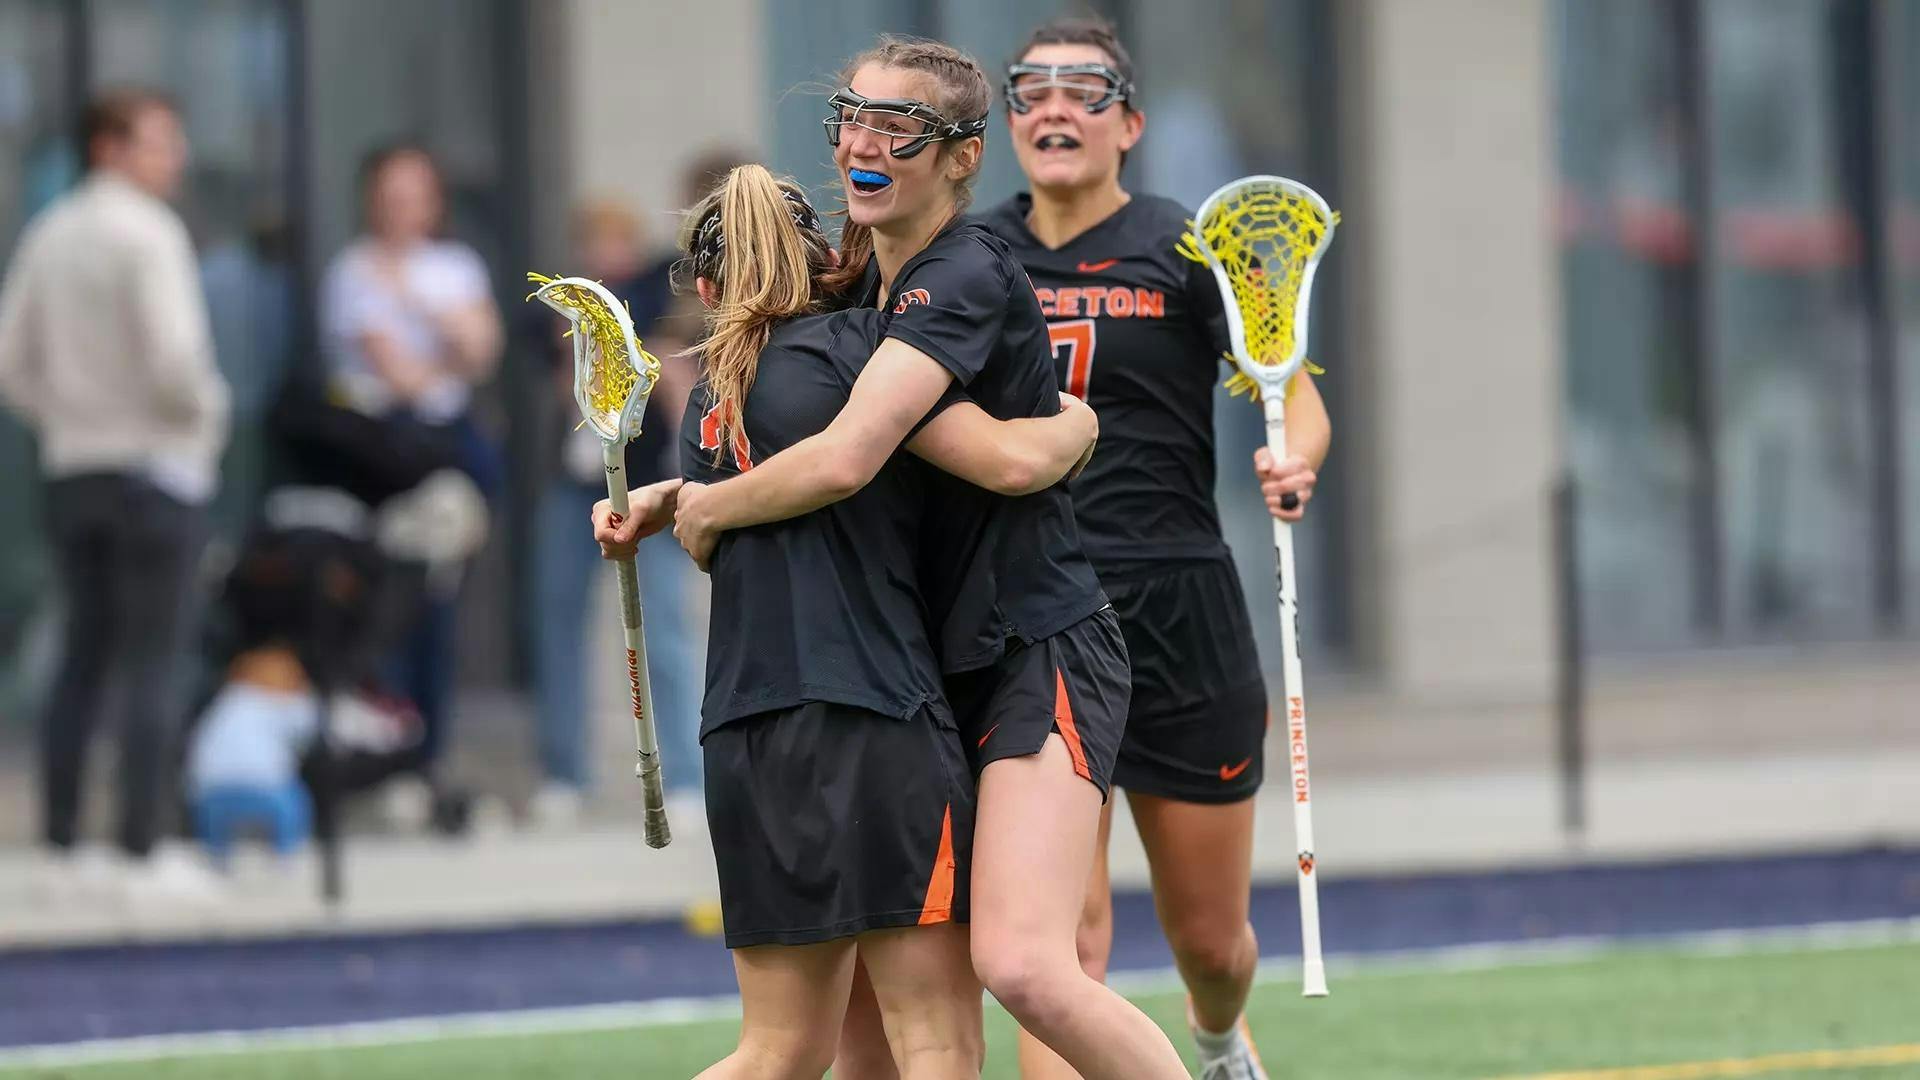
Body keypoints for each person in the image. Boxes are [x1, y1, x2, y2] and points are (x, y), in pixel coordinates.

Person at [656, 39, 1190, 1080]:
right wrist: (669, 500)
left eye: (897, 126)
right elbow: (823, 450)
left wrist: (706, 503)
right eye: (851, 118)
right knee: (866, 1042)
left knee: (1025, 966)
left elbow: (872, 456)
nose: (862, 140)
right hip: (925, 671)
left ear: (961, 156)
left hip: (1035, 646)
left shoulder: (966, 267)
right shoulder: (858, 304)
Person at [600, 163, 1099, 1079]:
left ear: (707, 290)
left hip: (746, 742)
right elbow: (1004, 463)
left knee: (777, 1050)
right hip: (879, 723)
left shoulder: (707, 405)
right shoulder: (869, 355)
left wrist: (673, 498)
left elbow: (714, 531)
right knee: (938, 1041)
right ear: (832, 259)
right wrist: (1079, 422)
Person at [979, 18, 1332, 1078]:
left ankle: (1218, 1036)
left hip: (1182, 611)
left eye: (1083, 90)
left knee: (1213, 945)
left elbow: (1296, 402)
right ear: (1008, 123)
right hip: (1035, 614)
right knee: (1061, 947)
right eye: (1031, 90)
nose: (1054, 108)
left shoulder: (1191, 248)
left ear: (1129, 123)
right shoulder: (975, 259)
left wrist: (1293, 464)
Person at [0, 88, 231, 902]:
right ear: (109, 147)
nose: (174, 158)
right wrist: (204, 417)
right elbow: (175, 362)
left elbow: (10, 362)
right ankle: (144, 848)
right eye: (158, 142)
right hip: (154, 470)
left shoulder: (49, 233)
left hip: (74, 470)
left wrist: (65, 418)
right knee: (154, 660)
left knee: (84, 659)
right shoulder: (148, 232)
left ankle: (64, 845)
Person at [318, 143, 503, 805]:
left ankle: (428, 756)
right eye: (390, 193)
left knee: (435, 610)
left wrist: (416, 302)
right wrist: (444, 348)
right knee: (382, 609)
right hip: (381, 457)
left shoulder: (454, 266)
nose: (402, 206)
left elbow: (481, 352)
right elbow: (396, 371)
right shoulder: (351, 271)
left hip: (444, 455)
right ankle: (385, 761)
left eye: (414, 192)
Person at [526, 197, 700, 828]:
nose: (604, 258)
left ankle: (684, 775)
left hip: (645, 485)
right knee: (557, 622)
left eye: (613, 244)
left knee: (665, 633)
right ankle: (563, 772)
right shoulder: (565, 310)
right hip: (576, 484)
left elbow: (672, 336)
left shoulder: (658, 296)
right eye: (591, 246)